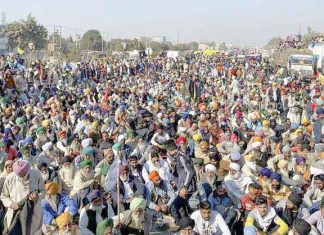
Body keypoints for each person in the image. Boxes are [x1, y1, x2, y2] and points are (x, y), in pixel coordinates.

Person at [1, 160, 45, 234]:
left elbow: (43, 191)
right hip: (15, 213)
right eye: (19, 175)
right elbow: (3, 196)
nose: (22, 176)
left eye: (24, 174)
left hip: (33, 213)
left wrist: (37, 196)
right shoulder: (10, 178)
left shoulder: (36, 174)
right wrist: (11, 204)